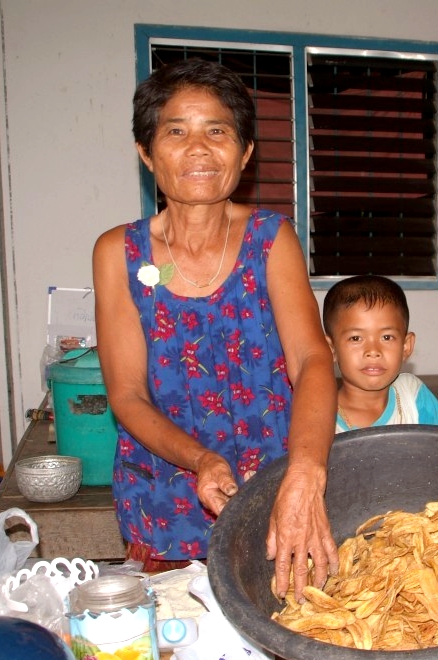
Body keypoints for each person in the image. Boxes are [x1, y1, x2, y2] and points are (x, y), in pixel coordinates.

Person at [92, 58, 338, 597]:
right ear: (146, 153)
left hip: (275, 489)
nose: (198, 149)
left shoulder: (271, 239)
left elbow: (313, 360)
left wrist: (305, 472)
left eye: (217, 131)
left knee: (289, 624)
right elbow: (127, 395)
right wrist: (201, 460)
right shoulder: (119, 252)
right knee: (184, 654)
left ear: (245, 152)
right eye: (176, 131)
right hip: (166, 492)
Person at [321, 275, 438, 432]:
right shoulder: (321, 418)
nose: (373, 351)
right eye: (356, 338)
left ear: (406, 346)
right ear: (331, 349)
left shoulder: (412, 395)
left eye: (387, 337)